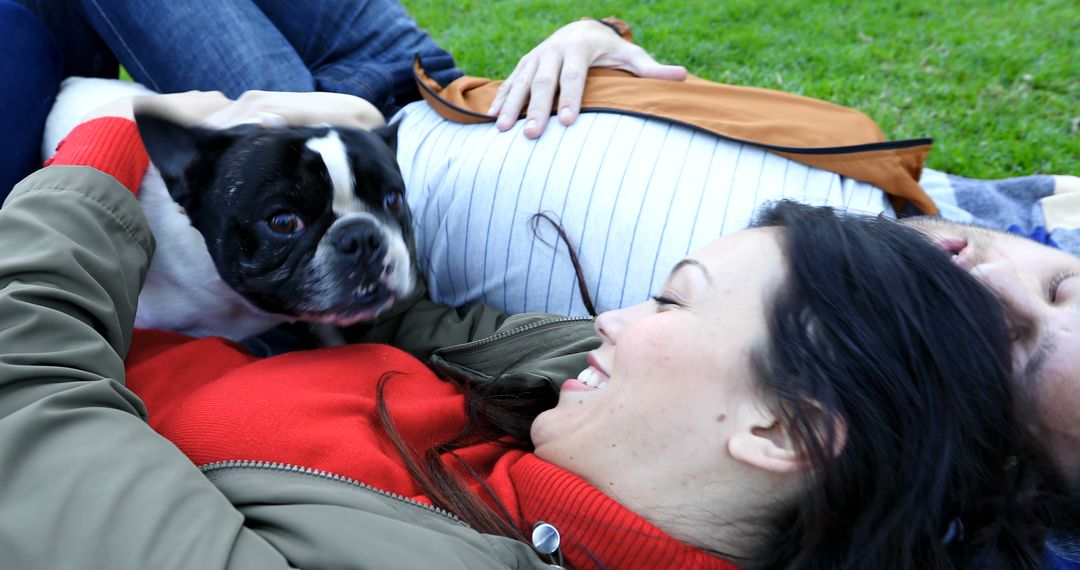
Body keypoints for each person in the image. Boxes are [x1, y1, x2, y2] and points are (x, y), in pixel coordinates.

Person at [0, 98, 1047, 568]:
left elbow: (27, 408)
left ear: (783, 432)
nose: (613, 314)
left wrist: (96, 157)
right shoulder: (575, 419)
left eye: (670, 300)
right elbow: (421, 314)